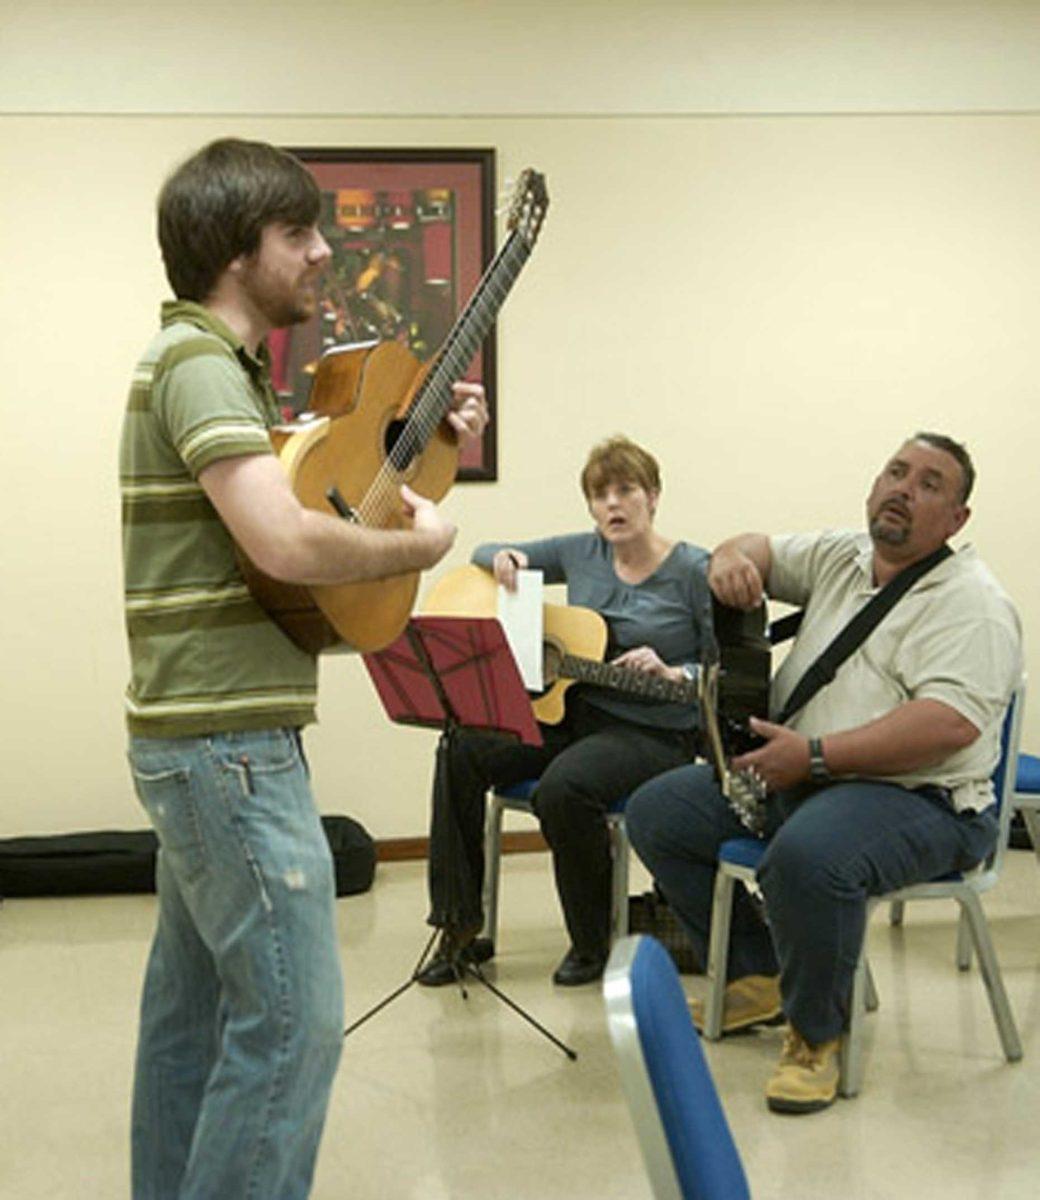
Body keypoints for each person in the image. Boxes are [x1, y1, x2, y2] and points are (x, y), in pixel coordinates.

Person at [119, 138, 487, 1200]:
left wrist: (433, 444)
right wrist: (422, 550)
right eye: (298, 234)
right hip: (225, 753)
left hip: (202, 741)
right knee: (292, 1031)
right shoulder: (197, 366)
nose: (324, 251)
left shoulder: (208, 371)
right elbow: (285, 544)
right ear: (239, 254)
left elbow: (319, 499)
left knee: (191, 1026)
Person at [626, 432, 1021, 1114]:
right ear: (874, 486)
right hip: (805, 776)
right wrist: (727, 561)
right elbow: (759, 549)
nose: (904, 487)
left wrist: (813, 757)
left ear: (956, 520)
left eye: (930, 484)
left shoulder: (974, 603)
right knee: (658, 812)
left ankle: (816, 1035)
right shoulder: (844, 555)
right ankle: (758, 978)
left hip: (923, 800)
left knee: (809, 856)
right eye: (897, 471)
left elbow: (947, 725)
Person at [416, 435, 713, 989]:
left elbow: (724, 669)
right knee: (460, 748)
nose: (613, 505)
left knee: (563, 788)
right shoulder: (583, 550)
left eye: (626, 491)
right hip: (579, 715)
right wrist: (502, 558)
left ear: (653, 497)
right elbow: (486, 552)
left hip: (655, 734)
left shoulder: (695, 570)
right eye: (600, 496)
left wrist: (679, 672)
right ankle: (459, 927)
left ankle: (592, 941)